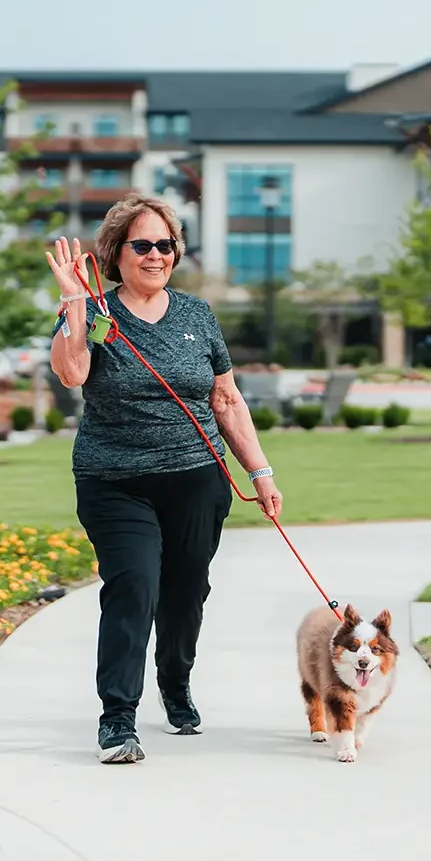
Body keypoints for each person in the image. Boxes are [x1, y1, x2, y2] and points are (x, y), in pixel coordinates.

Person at [46, 193, 282, 765]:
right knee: (134, 587)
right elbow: (73, 372)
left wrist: (261, 470)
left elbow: (225, 398)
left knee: (186, 593)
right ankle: (118, 720)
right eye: (142, 245)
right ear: (116, 252)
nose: (155, 255)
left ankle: (175, 684)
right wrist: (75, 304)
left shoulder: (197, 314)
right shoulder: (94, 311)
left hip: (197, 477)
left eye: (165, 245)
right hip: (114, 479)